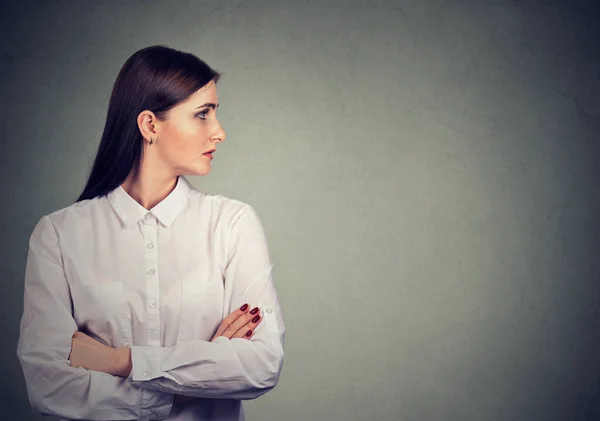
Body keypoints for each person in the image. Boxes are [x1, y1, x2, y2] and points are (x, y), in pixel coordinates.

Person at [16, 45, 285, 421]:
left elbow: (261, 364)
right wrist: (195, 381)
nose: (219, 133)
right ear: (150, 125)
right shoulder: (59, 235)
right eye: (203, 115)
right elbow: (48, 387)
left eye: (215, 114)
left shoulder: (233, 224)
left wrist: (120, 362)